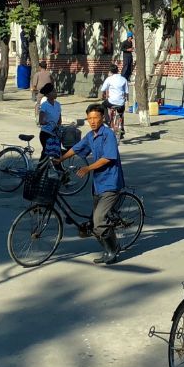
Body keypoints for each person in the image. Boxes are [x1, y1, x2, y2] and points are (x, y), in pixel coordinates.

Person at [57, 103, 125, 264]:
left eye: (96, 118)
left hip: (111, 183)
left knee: (99, 220)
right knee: (95, 222)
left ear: (102, 118)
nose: (92, 121)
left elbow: (108, 158)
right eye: (90, 118)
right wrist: (61, 159)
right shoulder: (90, 136)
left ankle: (113, 250)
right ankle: (109, 246)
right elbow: (77, 148)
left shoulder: (107, 134)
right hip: (98, 184)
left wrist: (88, 168)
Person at [99, 64, 130, 139]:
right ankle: (122, 129)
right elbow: (126, 92)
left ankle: (107, 120)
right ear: (117, 71)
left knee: (103, 105)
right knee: (121, 113)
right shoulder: (123, 79)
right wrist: (126, 101)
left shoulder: (109, 79)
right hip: (121, 103)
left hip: (111, 102)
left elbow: (102, 89)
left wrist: (102, 96)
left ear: (110, 72)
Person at [36, 82, 63, 157]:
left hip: (55, 133)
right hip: (46, 133)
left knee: (57, 151)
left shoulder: (58, 104)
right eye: (53, 91)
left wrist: (59, 126)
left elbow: (59, 119)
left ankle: (58, 167)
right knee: (46, 153)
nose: (55, 93)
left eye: (55, 91)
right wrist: (46, 122)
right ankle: (41, 168)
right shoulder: (45, 105)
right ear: (47, 94)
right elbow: (41, 120)